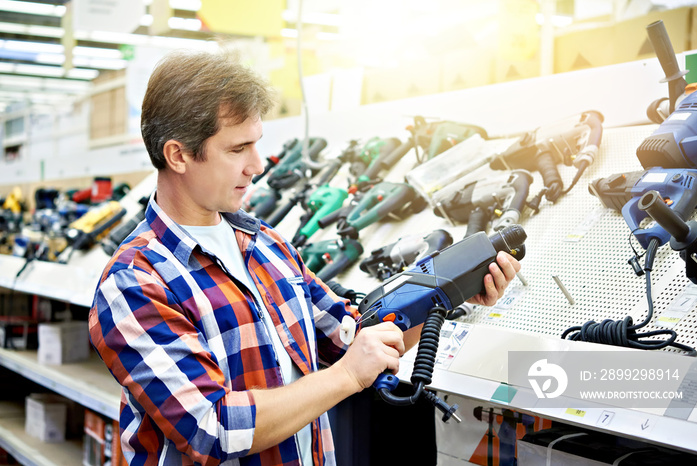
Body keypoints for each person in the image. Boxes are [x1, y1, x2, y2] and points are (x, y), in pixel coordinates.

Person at [88, 48, 522, 466]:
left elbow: (354, 337)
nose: (256, 165)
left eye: (256, 145)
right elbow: (212, 429)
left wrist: (449, 296)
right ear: (177, 155)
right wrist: (347, 377)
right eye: (237, 149)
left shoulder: (266, 245)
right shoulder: (134, 281)